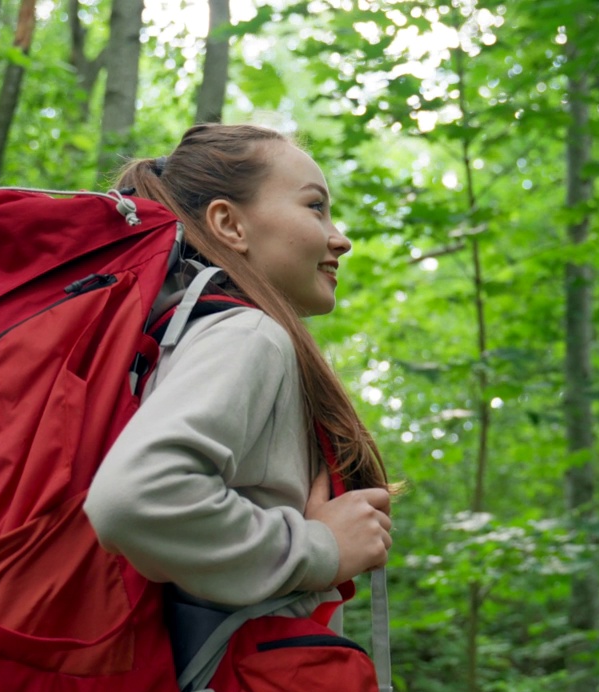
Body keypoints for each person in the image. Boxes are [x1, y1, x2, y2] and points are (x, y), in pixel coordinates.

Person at [83, 124, 393, 631]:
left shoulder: (177, 338)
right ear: (229, 225)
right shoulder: (249, 334)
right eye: (316, 207)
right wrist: (321, 548)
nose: (341, 239)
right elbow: (135, 499)